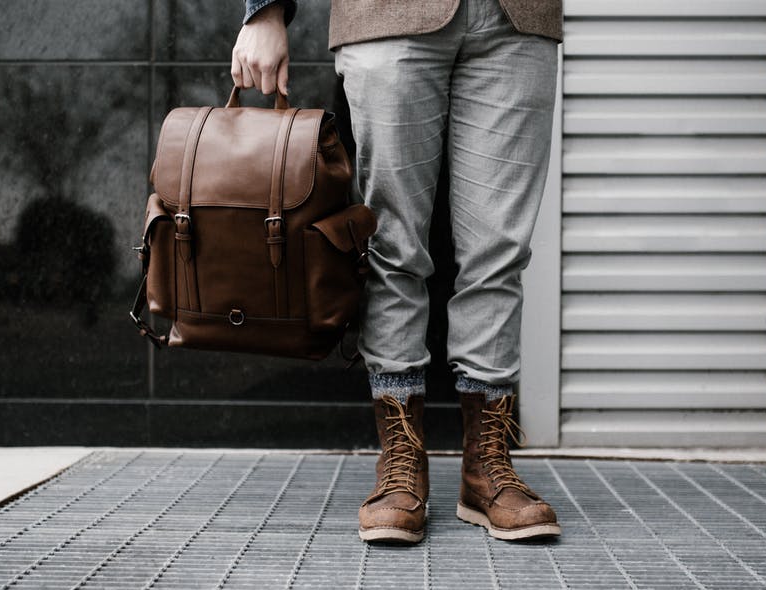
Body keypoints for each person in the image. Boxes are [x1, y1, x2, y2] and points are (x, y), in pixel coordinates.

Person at [232, 0, 562, 543]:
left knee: (500, 252)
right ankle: (401, 460)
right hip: (386, 13)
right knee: (390, 244)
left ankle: (487, 468)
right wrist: (264, 10)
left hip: (518, 18)